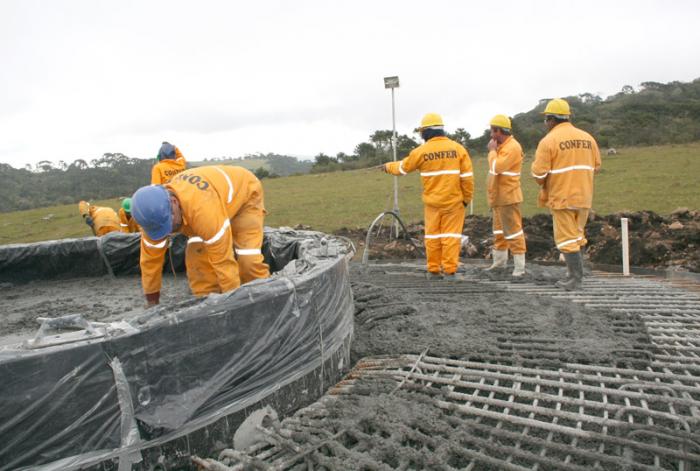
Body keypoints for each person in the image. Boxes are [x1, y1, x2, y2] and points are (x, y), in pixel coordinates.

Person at [131, 165, 270, 305]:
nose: (168, 231)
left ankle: (268, 300)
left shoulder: (202, 211)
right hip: (207, 208)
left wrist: (233, 305)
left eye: (169, 223)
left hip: (245, 197)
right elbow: (150, 262)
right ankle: (205, 303)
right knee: (196, 259)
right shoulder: (153, 218)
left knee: (248, 262)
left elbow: (223, 262)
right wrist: (152, 302)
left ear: (173, 203)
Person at [383, 113, 474, 280]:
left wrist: (388, 167)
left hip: (432, 204)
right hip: (454, 203)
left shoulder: (421, 151)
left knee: (432, 236)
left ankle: (433, 270)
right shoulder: (458, 149)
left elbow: (403, 168)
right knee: (451, 237)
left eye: (421, 132)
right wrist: (466, 199)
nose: (420, 135)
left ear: (427, 131)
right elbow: (467, 179)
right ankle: (449, 271)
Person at [531, 98, 601, 290]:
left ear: (552, 119)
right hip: (584, 196)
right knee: (578, 235)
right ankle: (576, 275)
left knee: (566, 239)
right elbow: (596, 166)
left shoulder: (549, 141)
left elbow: (538, 174)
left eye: (546, 119)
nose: (546, 123)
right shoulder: (588, 138)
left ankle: (575, 278)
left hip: (562, 197)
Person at [485, 115, 526, 276]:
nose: (490, 135)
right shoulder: (503, 147)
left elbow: (497, 167)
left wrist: (492, 152)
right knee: (499, 232)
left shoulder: (512, 147)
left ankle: (519, 268)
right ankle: (500, 263)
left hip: (508, 197)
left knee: (514, 232)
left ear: (499, 131)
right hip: (498, 198)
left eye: (492, 131)